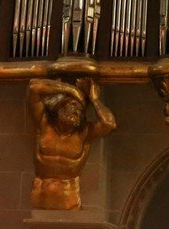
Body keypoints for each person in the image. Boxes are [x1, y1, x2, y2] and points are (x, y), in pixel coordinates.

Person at [27, 77, 116, 210]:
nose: (77, 112)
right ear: (59, 108)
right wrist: (71, 90)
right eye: (73, 106)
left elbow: (109, 124)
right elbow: (33, 87)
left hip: (69, 201)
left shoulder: (84, 133)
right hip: (39, 198)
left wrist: (95, 99)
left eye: (81, 110)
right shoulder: (43, 123)